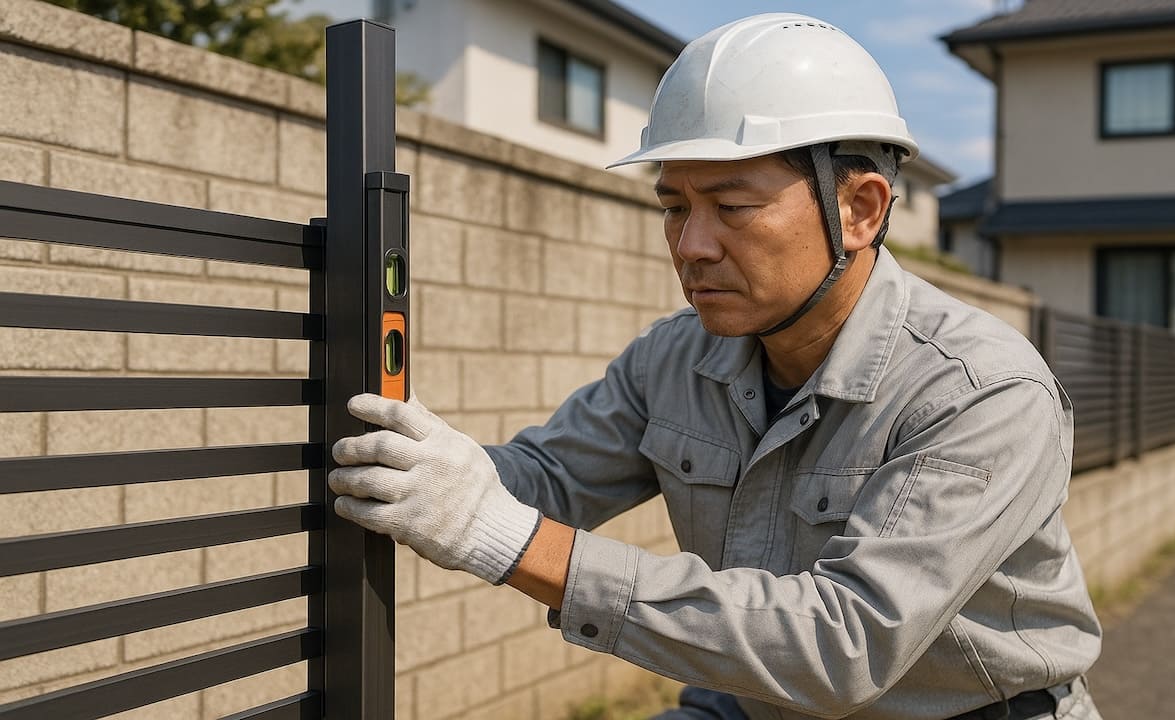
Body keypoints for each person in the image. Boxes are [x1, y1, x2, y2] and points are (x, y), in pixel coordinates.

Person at [327, 13, 1103, 720]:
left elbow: (843, 645)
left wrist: (501, 538)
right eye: (674, 207)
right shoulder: (676, 358)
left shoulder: (979, 391)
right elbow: (546, 482)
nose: (692, 245)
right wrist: (420, 460)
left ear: (861, 210)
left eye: (732, 208)